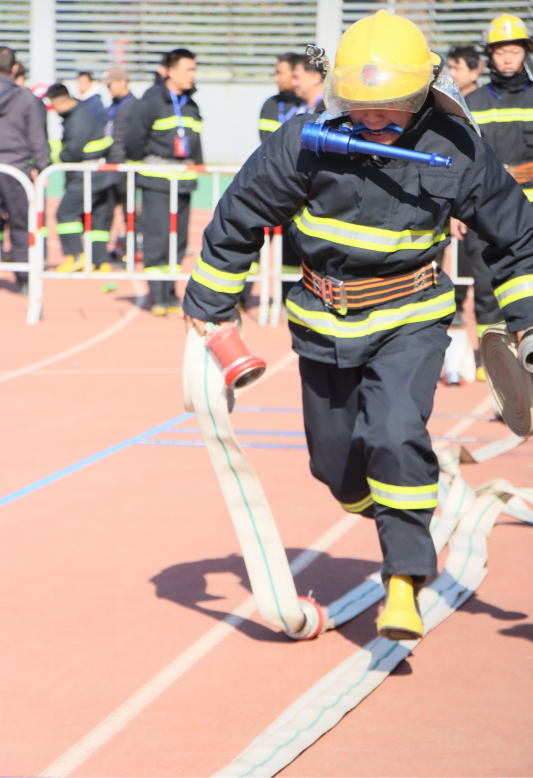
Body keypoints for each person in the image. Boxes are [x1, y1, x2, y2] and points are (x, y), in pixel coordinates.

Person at [183, 11, 533, 641]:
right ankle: (409, 505)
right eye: (361, 104)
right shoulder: (305, 140)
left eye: (390, 105)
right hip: (321, 324)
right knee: (337, 468)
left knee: (395, 433)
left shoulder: (455, 147)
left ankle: (404, 581)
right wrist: (210, 305)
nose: (373, 118)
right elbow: (240, 214)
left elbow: (516, 239)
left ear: (420, 92)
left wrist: (527, 326)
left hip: (410, 320)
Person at [460, 15, 533, 345]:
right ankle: (490, 359)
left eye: (514, 51)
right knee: (486, 285)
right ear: (490, 54)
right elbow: (461, 160)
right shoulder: (473, 103)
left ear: (525, 53)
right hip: (486, 210)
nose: (507, 58)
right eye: (501, 51)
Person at [125, 48, 203, 315]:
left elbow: (196, 142)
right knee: (157, 239)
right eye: (187, 70)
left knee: (178, 242)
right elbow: (133, 141)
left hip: (184, 182)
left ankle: (170, 293)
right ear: (170, 71)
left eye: (194, 70)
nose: (192, 75)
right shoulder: (150, 102)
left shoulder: (191, 105)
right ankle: (157, 296)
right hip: (157, 182)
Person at [46, 83, 116, 271]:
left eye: (53, 105)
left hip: (88, 175)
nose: (53, 110)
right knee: (95, 218)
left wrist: (54, 157)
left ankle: (77, 256)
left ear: (60, 102)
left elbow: (71, 153)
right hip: (98, 174)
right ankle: (101, 262)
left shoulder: (78, 119)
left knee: (65, 213)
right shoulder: (80, 113)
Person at [0, 47, 49, 293]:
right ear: (15, 68)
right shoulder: (26, 98)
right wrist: (42, 167)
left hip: (13, 167)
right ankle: (24, 280)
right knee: (21, 226)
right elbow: (37, 137)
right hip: (17, 170)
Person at [101, 67, 137, 259]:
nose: (109, 89)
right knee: (105, 210)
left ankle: (131, 251)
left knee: (129, 211)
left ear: (123, 82)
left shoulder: (135, 106)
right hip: (110, 166)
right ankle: (102, 254)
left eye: (111, 84)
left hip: (126, 167)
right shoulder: (111, 107)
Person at [259, 52, 302, 141]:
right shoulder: (270, 104)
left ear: (295, 73)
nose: (275, 78)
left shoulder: (306, 104)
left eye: (279, 73)